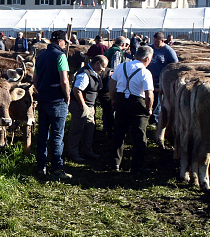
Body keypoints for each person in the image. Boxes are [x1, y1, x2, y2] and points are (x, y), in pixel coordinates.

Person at [109, 44, 155, 173]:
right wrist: (149, 108)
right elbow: (149, 94)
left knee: (119, 132)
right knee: (139, 136)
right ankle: (137, 166)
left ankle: (115, 163)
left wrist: (114, 99)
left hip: (121, 101)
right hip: (137, 103)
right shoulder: (145, 72)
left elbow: (112, 84)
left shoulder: (121, 67)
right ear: (147, 59)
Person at [33, 30, 71, 180]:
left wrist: (41, 90)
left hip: (43, 99)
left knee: (42, 134)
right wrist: (67, 97)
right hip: (57, 101)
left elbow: (35, 79)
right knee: (57, 135)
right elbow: (64, 80)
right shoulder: (61, 56)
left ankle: (41, 166)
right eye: (64, 42)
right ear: (61, 41)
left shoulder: (40, 56)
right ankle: (57, 167)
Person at [67, 54, 108, 163]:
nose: (103, 70)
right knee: (77, 130)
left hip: (89, 105)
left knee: (89, 129)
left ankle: (87, 150)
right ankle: (73, 153)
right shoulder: (85, 74)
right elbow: (77, 90)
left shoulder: (93, 72)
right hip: (81, 106)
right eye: (103, 67)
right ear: (97, 63)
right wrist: (83, 105)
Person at [147, 32, 178, 125]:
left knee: (158, 101)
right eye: (154, 41)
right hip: (149, 78)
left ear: (162, 40)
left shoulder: (169, 51)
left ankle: (155, 120)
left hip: (161, 80)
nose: (155, 43)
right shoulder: (150, 48)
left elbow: (175, 65)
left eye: (157, 41)